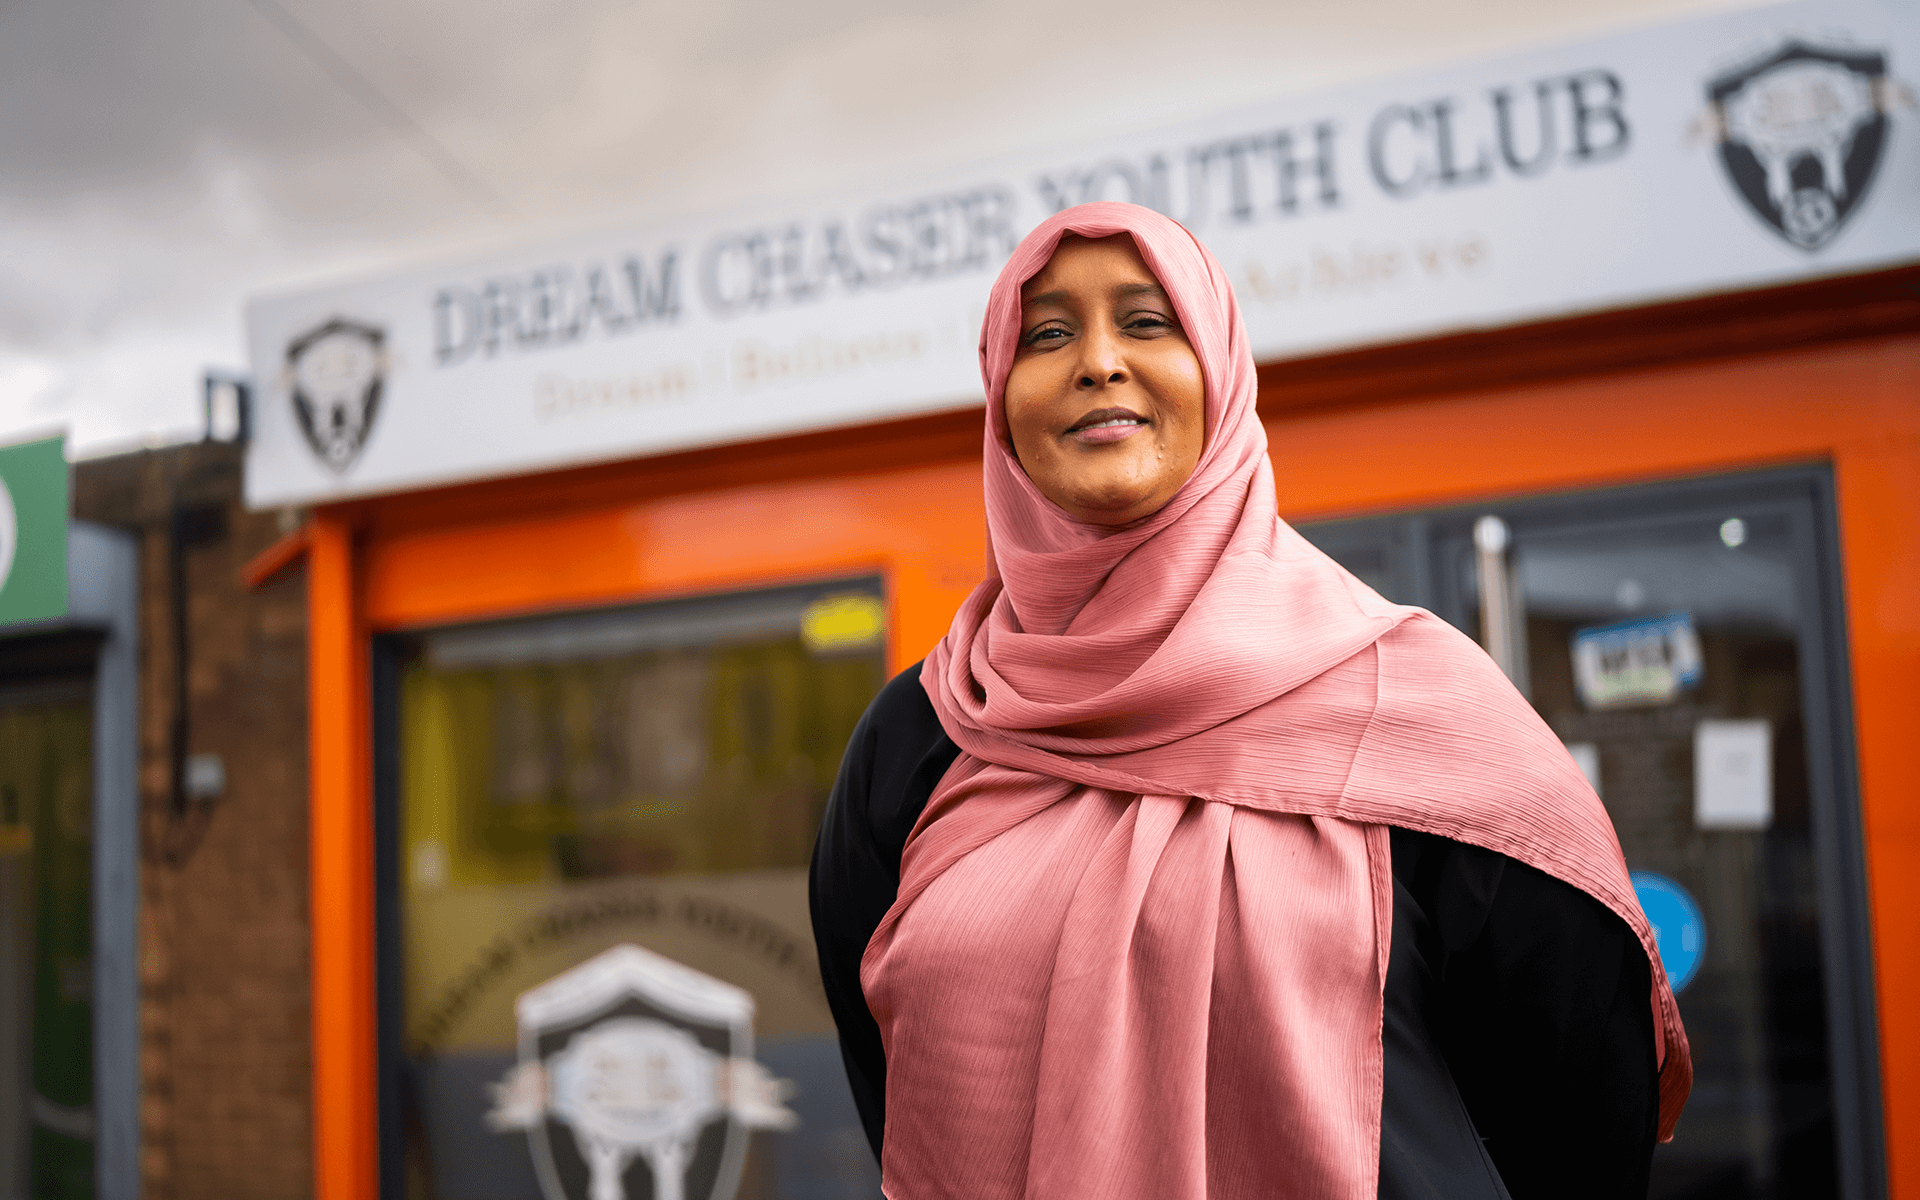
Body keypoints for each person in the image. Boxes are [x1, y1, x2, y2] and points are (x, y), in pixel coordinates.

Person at [810, 201, 1690, 1200]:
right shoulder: (923, 735)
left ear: (1222, 372)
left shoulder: (1415, 703)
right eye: (1046, 335)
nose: (1097, 362)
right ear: (1000, 403)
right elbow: (891, 1078)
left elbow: (1580, 1110)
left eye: (1148, 322)